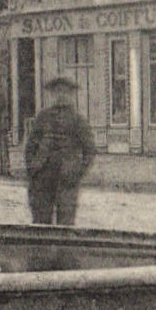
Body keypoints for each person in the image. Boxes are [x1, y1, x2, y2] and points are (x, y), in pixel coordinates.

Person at [24, 77, 96, 226]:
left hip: (67, 177)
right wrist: (32, 168)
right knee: (40, 222)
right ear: (52, 95)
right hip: (42, 175)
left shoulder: (78, 120)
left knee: (65, 222)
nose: (61, 96)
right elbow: (31, 145)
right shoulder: (43, 118)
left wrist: (77, 172)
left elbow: (89, 150)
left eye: (65, 92)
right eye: (57, 92)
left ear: (71, 95)